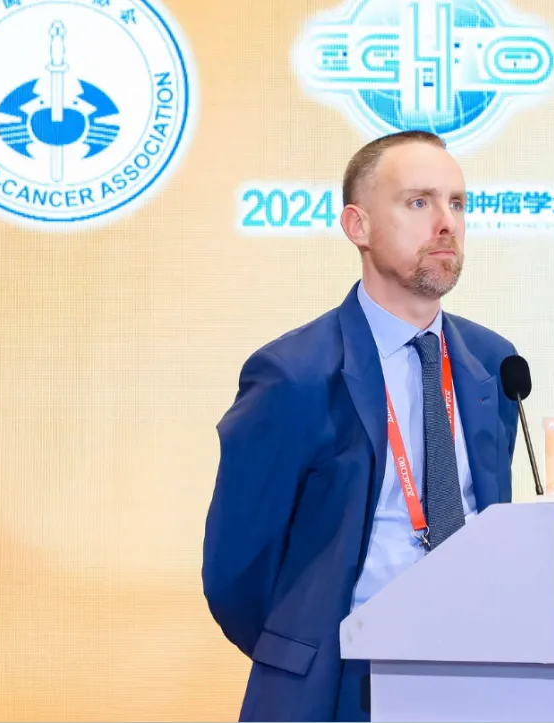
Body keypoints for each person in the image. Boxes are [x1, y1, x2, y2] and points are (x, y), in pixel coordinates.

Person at [202, 130, 520, 722]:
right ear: (358, 226)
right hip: (340, 680)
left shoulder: (494, 363)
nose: (446, 223)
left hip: (475, 672)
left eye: (457, 203)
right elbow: (237, 570)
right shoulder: (294, 374)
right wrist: (303, 649)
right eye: (418, 202)